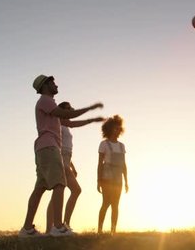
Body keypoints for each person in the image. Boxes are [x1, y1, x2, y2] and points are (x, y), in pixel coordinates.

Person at [19, 75, 103, 238]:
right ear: (44, 86)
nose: (55, 84)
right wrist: (90, 108)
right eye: (52, 82)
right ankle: (57, 227)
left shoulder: (48, 104)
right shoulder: (46, 100)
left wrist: (91, 119)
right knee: (59, 184)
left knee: (40, 188)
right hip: (49, 147)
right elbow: (66, 115)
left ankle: (27, 229)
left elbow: (69, 122)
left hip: (44, 148)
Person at [45, 101, 105, 234]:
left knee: (62, 192)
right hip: (60, 160)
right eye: (68, 109)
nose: (71, 110)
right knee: (74, 190)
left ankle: (58, 226)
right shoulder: (58, 124)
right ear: (62, 110)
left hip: (66, 160)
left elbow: (67, 148)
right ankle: (56, 227)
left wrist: (72, 166)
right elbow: (58, 146)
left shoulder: (66, 125)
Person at [97, 115, 129, 235]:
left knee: (116, 205)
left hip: (118, 179)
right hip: (106, 177)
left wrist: (126, 181)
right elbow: (100, 163)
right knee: (106, 203)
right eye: (114, 128)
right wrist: (98, 180)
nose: (116, 131)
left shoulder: (122, 146)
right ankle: (99, 230)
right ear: (109, 129)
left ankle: (113, 231)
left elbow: (124, 165)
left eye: (118, 128)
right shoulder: (104, 144)